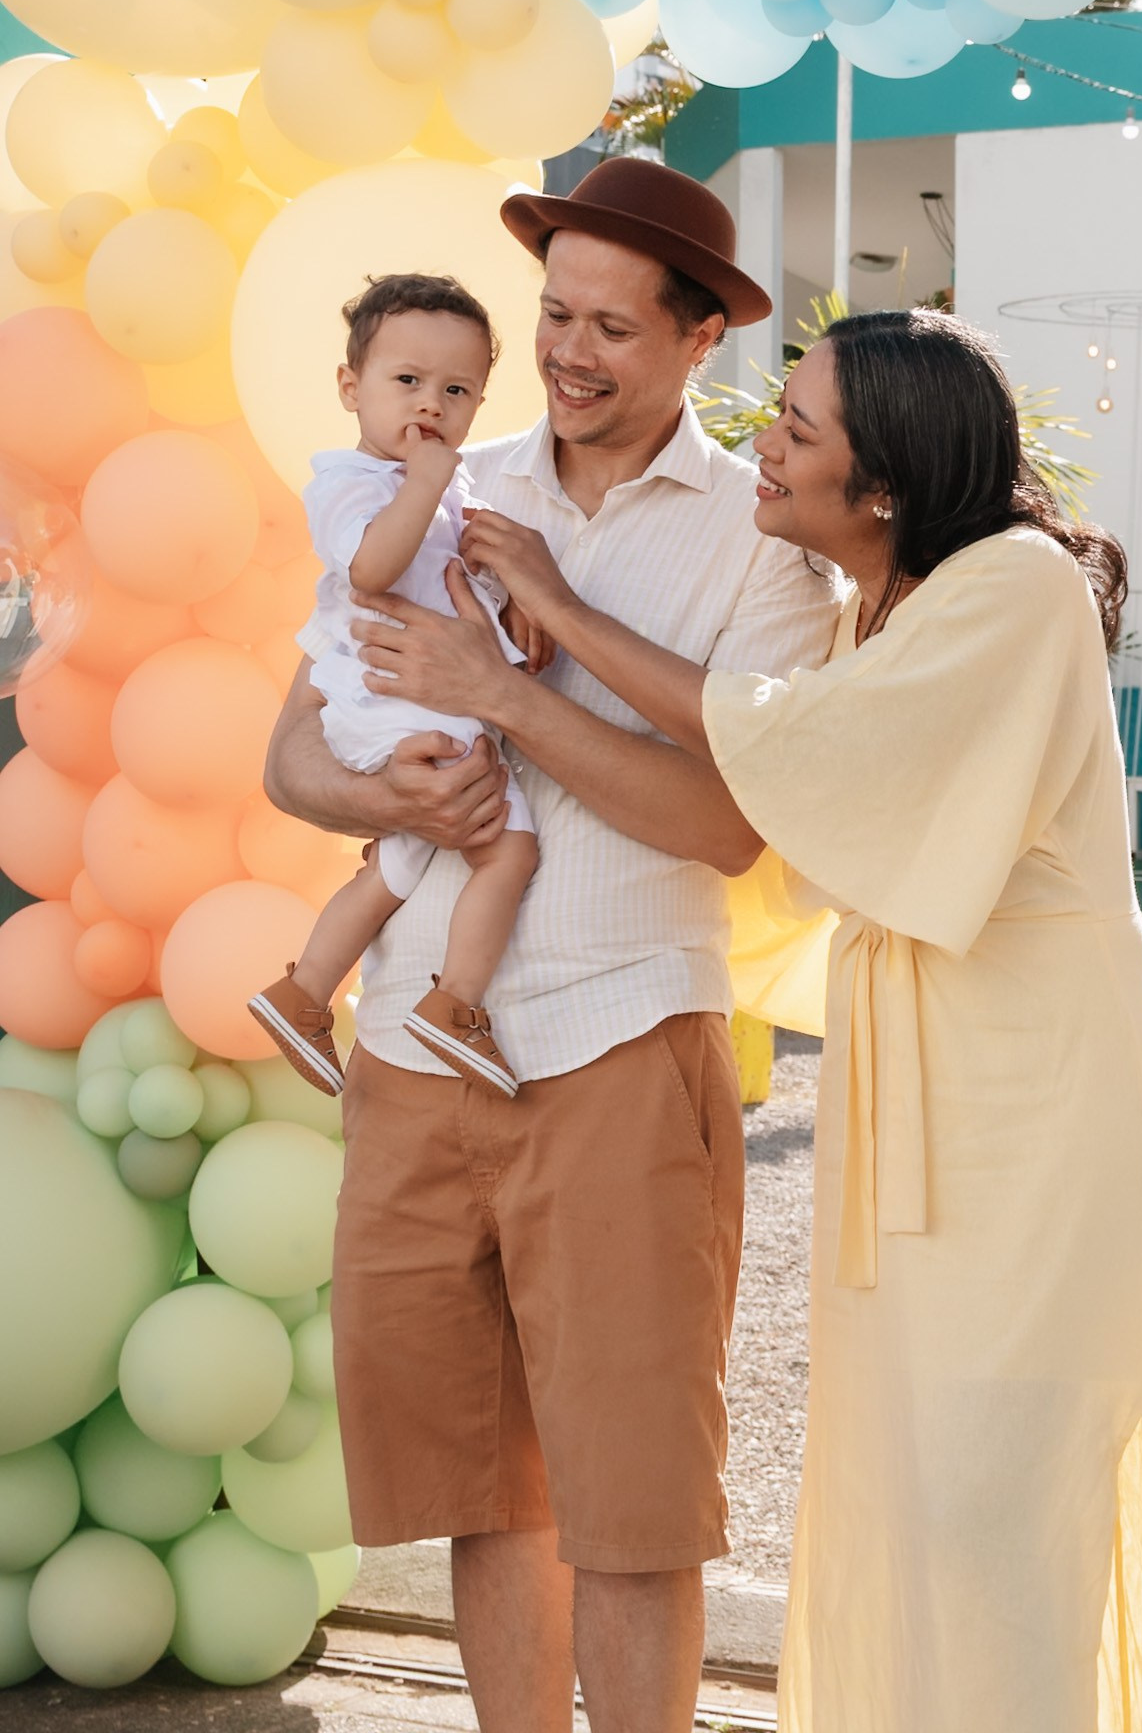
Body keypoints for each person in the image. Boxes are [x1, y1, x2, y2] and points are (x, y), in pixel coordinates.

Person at [451, 306, 1142, 1733]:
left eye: (796, 429)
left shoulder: (1017, 586)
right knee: (912, 1480)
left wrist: (555, 614)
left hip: (1034, 1111)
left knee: (1002, 1494)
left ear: (881, 485)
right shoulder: (873, 606)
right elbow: (771, 784)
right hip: (919, 1090)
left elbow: (782, 743)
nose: (763, 443)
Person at [262, 160, 842, 1733]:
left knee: (633, 1509)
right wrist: (388, 791)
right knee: (483, 1492)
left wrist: (502, 694)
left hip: (619, 1046)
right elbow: (290, 757)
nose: (567, 353)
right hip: (413, 1053)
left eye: (611, 328)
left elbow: (725, 824)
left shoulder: (762, 546)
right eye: (554, 314)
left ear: (700, 339)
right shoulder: (444, 474)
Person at [250, 273, 540, 1099]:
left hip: (417, 704)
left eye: (456, 391)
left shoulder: (448, 488)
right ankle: (455, 1005)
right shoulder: (350, 482)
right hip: (385, 701)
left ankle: (305, 992)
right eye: (407, 380)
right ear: (352, 388)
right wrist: (425, 483)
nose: (429, 406)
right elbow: (374, 569)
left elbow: (453, 579)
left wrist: (511, 596)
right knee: (510, 848)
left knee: (398, 865)